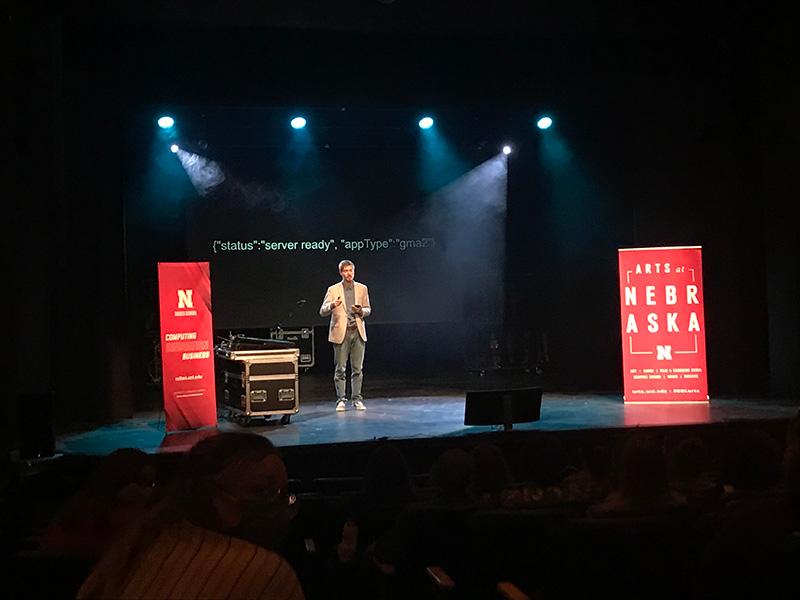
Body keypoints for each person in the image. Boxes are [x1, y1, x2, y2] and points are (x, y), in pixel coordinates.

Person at [77, 433, 304, 600]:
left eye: (283, 494)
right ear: (214, 496)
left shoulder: (138, 542)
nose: (277, 506)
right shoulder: (266, 572)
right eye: (260, 491)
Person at [319, 259, 371, 411]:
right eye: (346, 271)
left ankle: (357, 399)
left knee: (357, 369)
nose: (349, 273)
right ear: (341, 272)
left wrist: (361, 311)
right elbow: (322, 311)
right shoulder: (333, 290)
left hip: (358, 332)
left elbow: (368, 309)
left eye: (351, 270)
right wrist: (332, 305)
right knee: (340, 368)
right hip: (341, 333)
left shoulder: (362, 288)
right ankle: (341, 399)